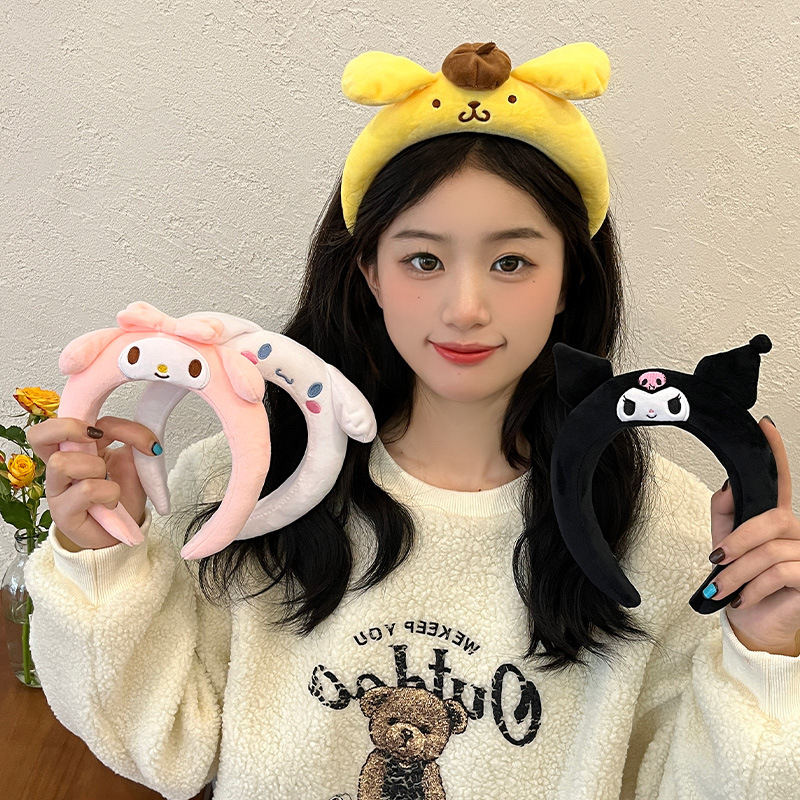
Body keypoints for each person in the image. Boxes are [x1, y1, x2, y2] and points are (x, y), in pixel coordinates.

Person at [25, 41, 800, 800]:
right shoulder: (243, 486)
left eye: (512, 262)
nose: (465, 308)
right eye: (423, 260)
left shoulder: (667, 531)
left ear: (571, 277)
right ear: (369, 271)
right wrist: (99, 558)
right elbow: (163, 747)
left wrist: (764, 654)